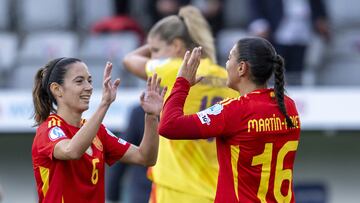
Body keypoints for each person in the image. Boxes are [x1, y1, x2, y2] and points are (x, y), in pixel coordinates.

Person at [159, 38, 301, 202]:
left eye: (229, 58)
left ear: (242, 68)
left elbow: (169, 126)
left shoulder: (235, 110)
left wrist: (181, 83)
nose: (226, 64)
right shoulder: (289, 106)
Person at [122, 5, 238, 203]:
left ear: (176, 46)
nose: (154, 55)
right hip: (219, 189)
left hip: (177, 190)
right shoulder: (226, 77)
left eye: (156, 50)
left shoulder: (173, 69)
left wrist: (150, 43)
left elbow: (129, 60)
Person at [31, 57, 166, 203]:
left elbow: (146, 157)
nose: (88, 87)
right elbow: (72, 150)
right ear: (57, 89)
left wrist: (151, 117)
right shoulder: (48, 130)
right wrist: (104, 104)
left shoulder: (97, 131)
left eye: (89, 80)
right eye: (79, 81)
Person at [248, 0, 330, 85]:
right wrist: (259, 25)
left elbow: (318, 8)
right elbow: (256, 6)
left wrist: (320, 18)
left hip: (304, 34)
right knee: (274, 71)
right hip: (276, 33)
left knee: (298, 73)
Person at [106, 105, 151, 203]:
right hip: (144, 192)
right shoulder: (140, 112)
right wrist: (112, 195)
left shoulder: (186, 113)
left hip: (180, 190)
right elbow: (122, 153)